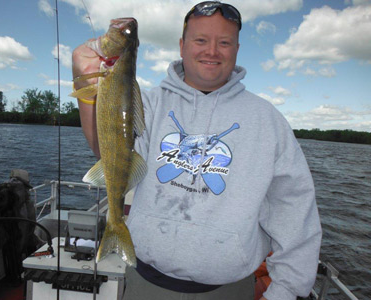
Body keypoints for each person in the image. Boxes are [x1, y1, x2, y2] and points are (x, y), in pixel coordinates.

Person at [72, 1, 322, 299]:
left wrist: (285, 292)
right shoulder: (147, 104)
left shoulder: (268, 120)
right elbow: (108, 152)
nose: (211, 51)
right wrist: (85, 81)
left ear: (237, 48)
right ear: (182, 45)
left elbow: (295, 213)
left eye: (224, 42)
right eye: (201, 40)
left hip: (228, 290)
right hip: (145, 282)